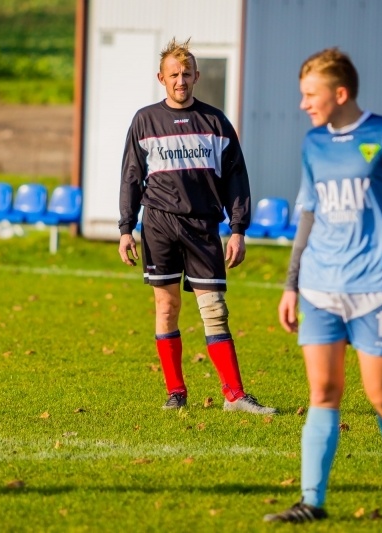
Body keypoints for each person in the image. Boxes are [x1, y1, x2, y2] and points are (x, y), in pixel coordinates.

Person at [264, 48, 382, 523]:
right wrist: (291, 284)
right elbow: (309, 215)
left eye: (310, 94)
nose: (303, 104)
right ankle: (311, 502)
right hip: (320, 287)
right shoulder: (313, 144)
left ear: (340, 93)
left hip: (377, 288)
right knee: (322, 392)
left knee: (381, 396)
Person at [117, 37, 276, 415]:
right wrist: (126, 228)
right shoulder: (145, 120)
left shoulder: (216, 122)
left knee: (215, 309)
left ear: (197, 76)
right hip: (158, 224)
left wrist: (238, 229)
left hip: (204, 225)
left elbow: (236, 178)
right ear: (162, 77)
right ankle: (176, 393)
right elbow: (131, 176)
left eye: (187, 73)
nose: (181, 80)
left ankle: (234, 396)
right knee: (166, 307)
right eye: (174, 74)